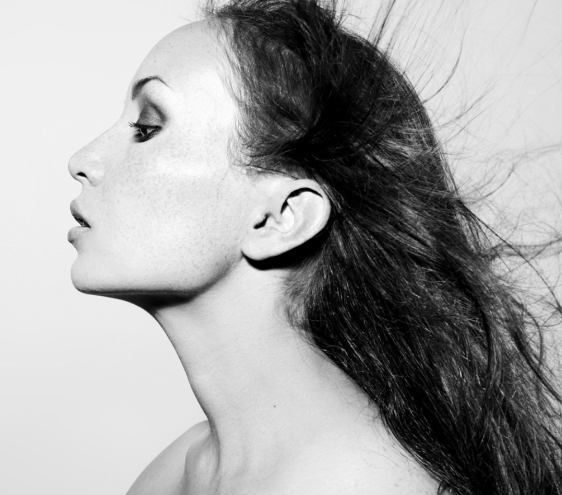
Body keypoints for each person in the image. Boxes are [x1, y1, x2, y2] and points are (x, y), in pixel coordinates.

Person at [67, 0, 562, 493]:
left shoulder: (362, 483)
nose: (82, 160)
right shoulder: (185, 467)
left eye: (146, 129)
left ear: (281, 217)